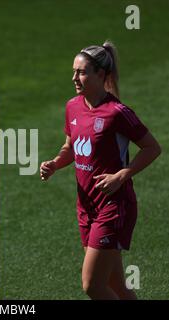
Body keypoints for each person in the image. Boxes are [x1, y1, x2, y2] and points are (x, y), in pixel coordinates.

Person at [40, 41, 161, 300]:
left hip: (113, 206)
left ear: (101, 75)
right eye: (74, 71)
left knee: (92, 285)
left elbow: (152, 147)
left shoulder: (118, 113)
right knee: (116, 285)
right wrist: (54, 164)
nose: (74, 77)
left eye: (82, 72)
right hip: (86, 205)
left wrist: (122, 175)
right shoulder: (73, 106)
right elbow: (71, 147)